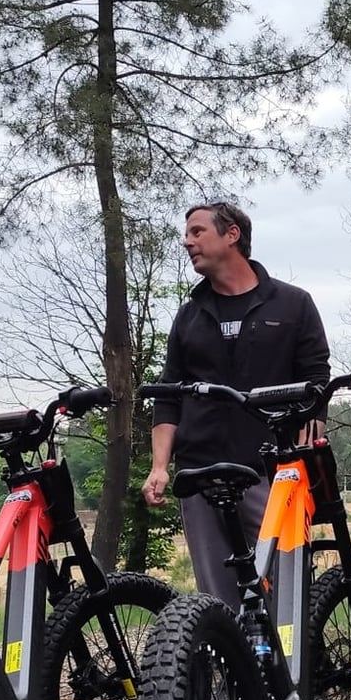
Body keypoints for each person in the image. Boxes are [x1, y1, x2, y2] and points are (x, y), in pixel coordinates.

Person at [142, 201, 331, 609]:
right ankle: (237, 672)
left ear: (232, 236)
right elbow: (168, 396)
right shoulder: (188, 316)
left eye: (197, 232)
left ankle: (302, 670)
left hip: (272, 470)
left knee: (289, 587)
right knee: (220, 600)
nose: (187, 241)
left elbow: (317, 380)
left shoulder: (292, 303)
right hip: (200, 472)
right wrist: (159, 467)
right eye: (187, 233)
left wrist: (310, 428)